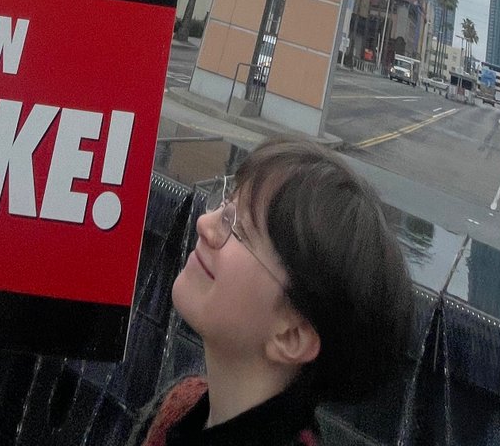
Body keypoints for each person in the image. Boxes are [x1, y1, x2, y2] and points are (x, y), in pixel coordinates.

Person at [130, 138, 413, 446]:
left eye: (239, 230)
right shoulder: (180, 407)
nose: (204, 224)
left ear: (291, 336)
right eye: (225, 204)